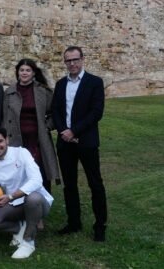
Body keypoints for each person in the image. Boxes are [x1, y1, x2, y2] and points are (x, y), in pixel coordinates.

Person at [52, 46, 107, 241]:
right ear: (64, 62)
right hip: (65, 142)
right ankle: (73, 222)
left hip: (86, 141)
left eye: (75, 59)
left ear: (83, 59)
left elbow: (96, 112)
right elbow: (56, 111)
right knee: (70, 184)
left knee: (95, 183)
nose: (72, 63)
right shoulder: (60, 84)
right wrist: (63, 132)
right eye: (68, 60)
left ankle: (100, 225)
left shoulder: (95, 82)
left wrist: (74, 131)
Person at [0, 127, 54, 259]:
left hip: (37, 202)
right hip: (12, 204)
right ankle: (19, 228)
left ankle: (28, 242)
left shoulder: (22, 153)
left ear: (7, 140)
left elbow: (37, 180)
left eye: (0, 141)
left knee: (33, 198)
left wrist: (10, 196)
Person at [3, 58, 60, 192]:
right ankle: (19, 202)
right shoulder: (9, 92)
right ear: (17, 72)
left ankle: (43, 200)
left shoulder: (43, 91)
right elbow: (4, 117)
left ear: (34, 73)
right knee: (19, 170)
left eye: (28, 70)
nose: (24, 73)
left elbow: (55, 113)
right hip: (16, 138)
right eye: (21, 70)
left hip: (37, 139)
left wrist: (47, 126)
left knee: (40, 169)